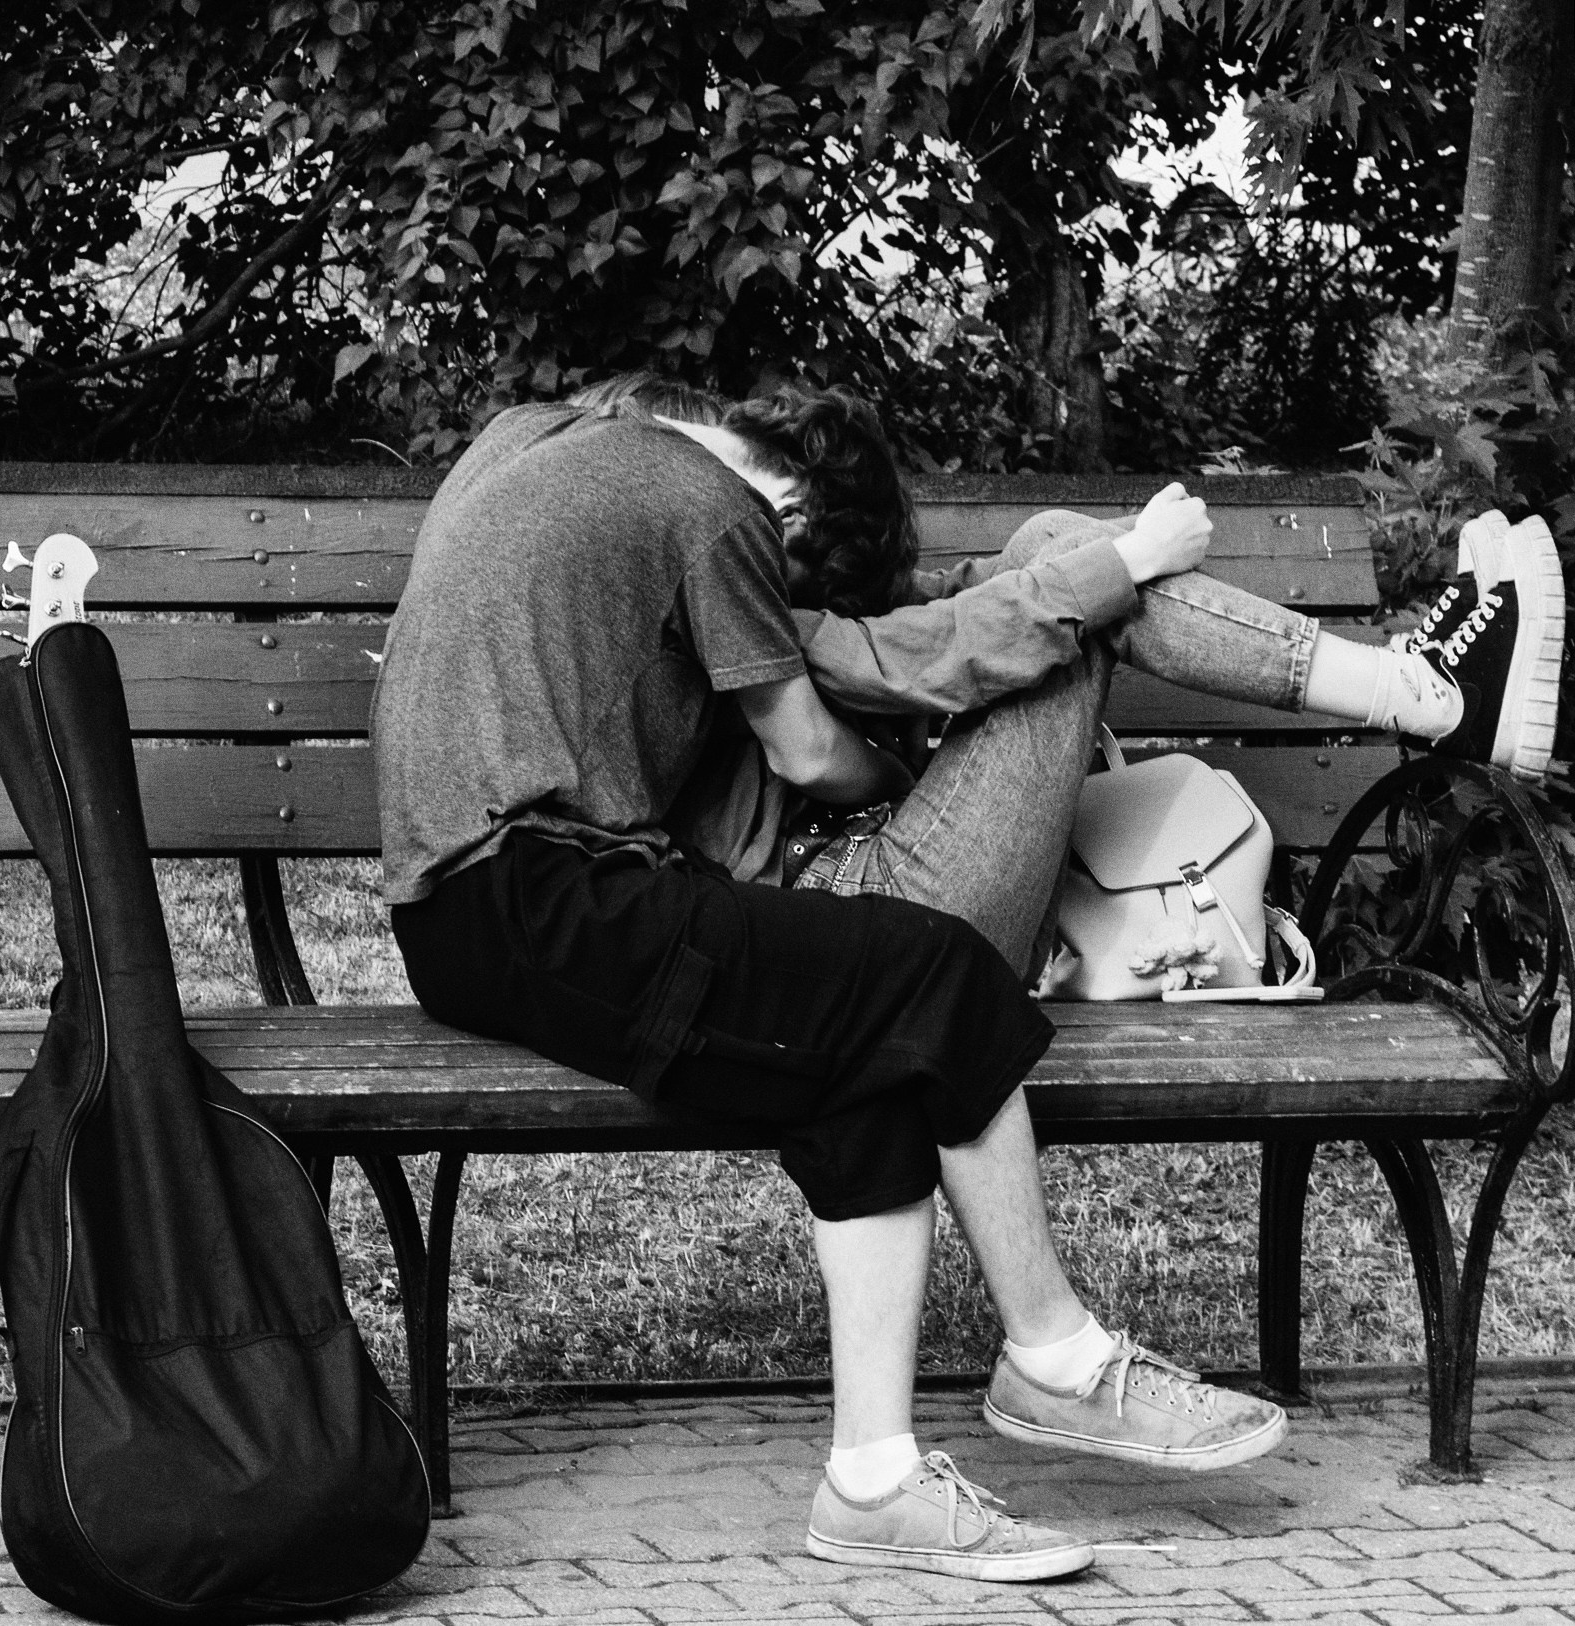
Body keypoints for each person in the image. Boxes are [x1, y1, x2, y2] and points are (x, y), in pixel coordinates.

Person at [370, 374, 1565, 1583]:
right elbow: (811, 737)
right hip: (554, 891)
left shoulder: (527, 450)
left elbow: (866, 658)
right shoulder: (712, 514)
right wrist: (917, 758)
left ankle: (876, 1480)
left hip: (489, 888)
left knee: (863, 1050)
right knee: (921, 974)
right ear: (789, 507)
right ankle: (1055, 1356)